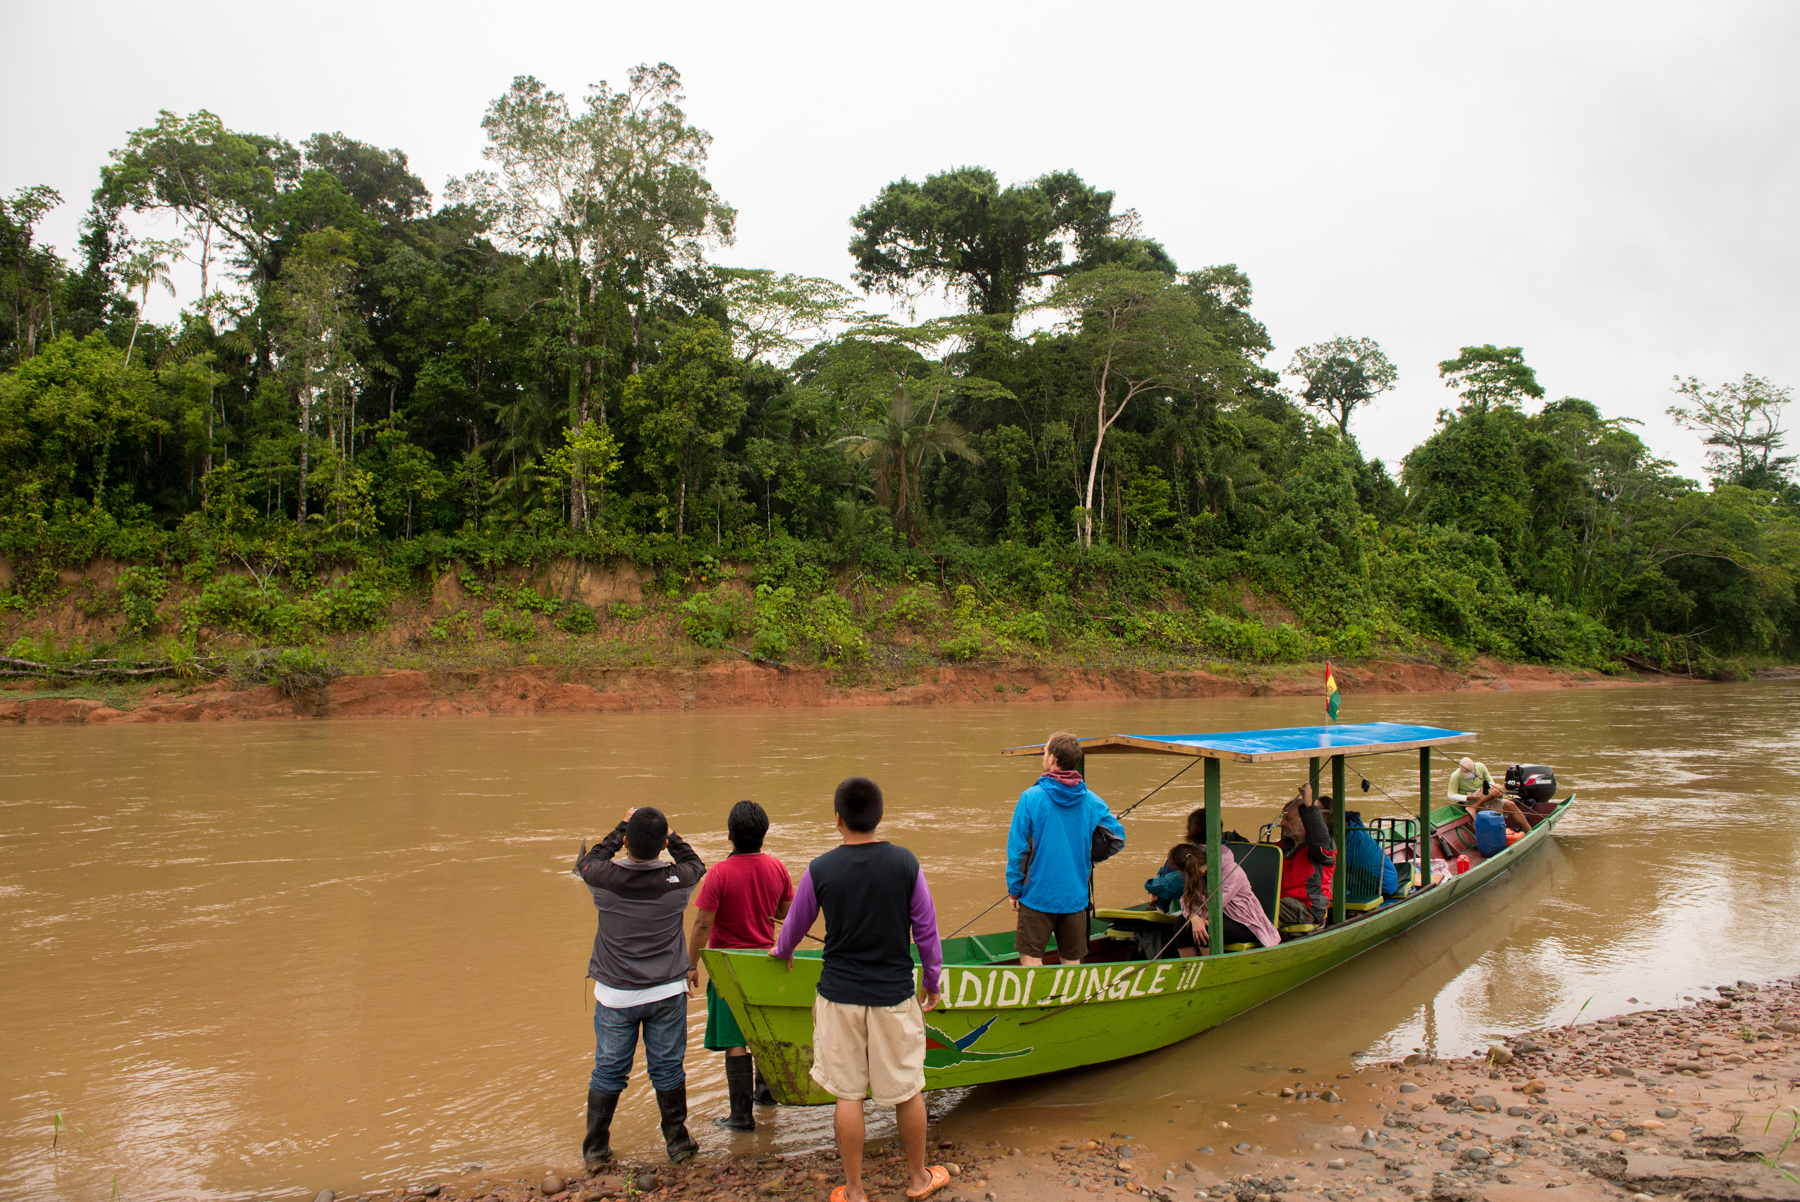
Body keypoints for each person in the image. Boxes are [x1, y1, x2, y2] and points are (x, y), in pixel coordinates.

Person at [770, 777, 950, 1202]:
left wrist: (782, 950)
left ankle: (854, 1191)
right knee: (907, 1089)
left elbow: (795, 924)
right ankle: (918, 1180)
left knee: (847, 1094)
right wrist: (932, 981)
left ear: (837, 819)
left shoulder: (820, 868)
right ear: (880, 817)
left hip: (838, 997)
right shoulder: (905, 864)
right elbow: (927, 931)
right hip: (892, 996)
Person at [575, 807, 706, 1170]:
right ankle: (678, 1144)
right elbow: (694, 860)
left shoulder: (602, 878)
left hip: (616, 996)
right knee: (667, 1069)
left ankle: (596, 1150)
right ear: (664, 844)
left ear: (627, 842)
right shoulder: (679, 881)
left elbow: (590, 858)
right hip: (667, 993)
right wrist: (670, 834)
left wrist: (621, 826)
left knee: (609, 1071)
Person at [688, 800, 795, 1132]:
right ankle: (766, 1096)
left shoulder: (719, 872)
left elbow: (703, 924)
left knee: (736, 1040)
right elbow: (786, 914)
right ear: (764, 834)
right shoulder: (777, 868)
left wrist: (690, 964)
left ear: (729, 836)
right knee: (762, 1032)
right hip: (765, 961)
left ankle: (740, 1116)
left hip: (728, 966)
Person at [1005, 730, 1126, 968]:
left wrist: (1014, 889)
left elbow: (1018, 850)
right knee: (1072, 959)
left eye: (1045, 751)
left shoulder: (1031, 797)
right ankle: (1071, 1001)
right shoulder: (1092, 801)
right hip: (1075, 895)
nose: (1044, 755)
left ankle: (1039, 1003)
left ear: (1052, 759)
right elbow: (1116, 839)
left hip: (1037, 894)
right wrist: (1083, 857)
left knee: (1031, 957)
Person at [1162, 841, 1280, 951]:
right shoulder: (1196, 871)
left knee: (1207, 928)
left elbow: (1211, 908)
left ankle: (1209, 967)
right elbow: (1186, 899)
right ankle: (1188, 967)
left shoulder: (1232, 873)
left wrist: (1195, 917)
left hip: (1245, 924)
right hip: (1215, 916)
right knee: (1180, 923)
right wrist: (1193, 917)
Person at [1277, 782, 1335, 926]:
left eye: (1288, 819)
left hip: (1307, 908)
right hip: (1280, 900)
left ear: (1304, 822)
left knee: (1261, 906)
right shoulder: (1282, 847)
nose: (1282, 823)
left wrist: (1309, 807)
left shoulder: (1319, 849)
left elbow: (1320, 841)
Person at [1450, 758, 1530, 832]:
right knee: (1497, 788)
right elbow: (1451, 795)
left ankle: (1529, 830)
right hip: (1471, 800)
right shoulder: (1455, 776)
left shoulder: (1481, 767)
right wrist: (1467, 797)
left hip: (1485, 796)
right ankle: (1473, 807)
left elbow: (1491, 784)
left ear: (1474, 767)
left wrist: (1497, 793)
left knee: (1508, 801)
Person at [1342, 809, 1400, 898]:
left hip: (1381, 888)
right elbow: (1354, 814)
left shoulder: (1345, 840)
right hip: (1389, 880)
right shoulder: (1357, 826)